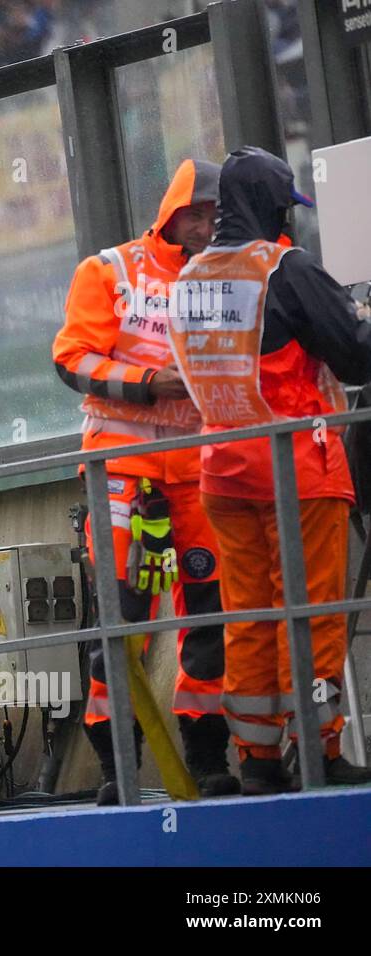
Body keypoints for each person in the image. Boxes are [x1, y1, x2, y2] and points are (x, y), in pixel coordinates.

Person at [167, 145, 371, 793]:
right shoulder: (284, 267)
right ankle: (321, 748)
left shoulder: (190, 279)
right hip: (296, 470)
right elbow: (356, 356)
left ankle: (257, 760)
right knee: (310, 612)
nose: (289, 219)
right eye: (285, 206)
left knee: (249, 615)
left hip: (223, 472)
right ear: (269, 204)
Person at [53, 158, 239, 804]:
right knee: (124, 616)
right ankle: (118, 767)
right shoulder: (110, 271)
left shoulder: (230, 279)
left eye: (217, 214)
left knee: (209, 612)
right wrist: (144, 384)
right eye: (198, 212)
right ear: (171, 212)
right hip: (122, 467)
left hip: (198, 467)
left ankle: (208, 757)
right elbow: (71, 358)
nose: (206, 224)